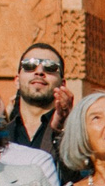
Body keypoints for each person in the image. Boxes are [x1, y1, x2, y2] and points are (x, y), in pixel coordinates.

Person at [4, 42, 71, 175]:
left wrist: (62, 131)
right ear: (17, 81)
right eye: (29, 66)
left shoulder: (75, 132)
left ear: (62, 83)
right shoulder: (0, 134)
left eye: (50, 67)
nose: (39, 72)